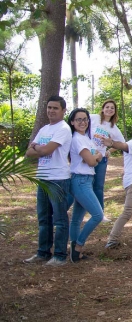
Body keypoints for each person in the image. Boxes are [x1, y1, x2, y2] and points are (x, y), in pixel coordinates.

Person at [24, 96, 72, 267]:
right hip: (43, 179)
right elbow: (29, 152)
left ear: (63, 110)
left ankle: (59, 256)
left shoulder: (63, 128)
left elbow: (45, 150)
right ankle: (43, 252)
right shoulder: (44, 129)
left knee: (59, 219)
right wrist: (39, 149)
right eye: (49, 107)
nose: (51, 110)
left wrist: (37, 148)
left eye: (55, 108)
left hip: (58, 179)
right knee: (43, 218)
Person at [67, 108, 104, 262]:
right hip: (80, 180)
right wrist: (94, 157)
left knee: (76, 219)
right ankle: (79, 246)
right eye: (79, 119)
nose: (83, 122)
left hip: (86, 180)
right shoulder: (77, 139)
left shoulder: (86, 139)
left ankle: (75, 254)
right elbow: (91, 161)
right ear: (72, 122)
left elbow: (99, 156)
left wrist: (94, 156)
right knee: (98, 215)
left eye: (85, 119)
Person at [89, 99, 125, 220]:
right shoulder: (94, 118)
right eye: (107, 107)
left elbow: (122, 143)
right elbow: (79, 121)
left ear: (115, 112)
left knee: (98, 187)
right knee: (83, 185)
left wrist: (110, 148)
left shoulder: (113, 128)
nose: (109, 109)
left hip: (101, 160)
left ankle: (100, 214)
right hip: (87, 156)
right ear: (103, 109)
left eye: (112, 108)